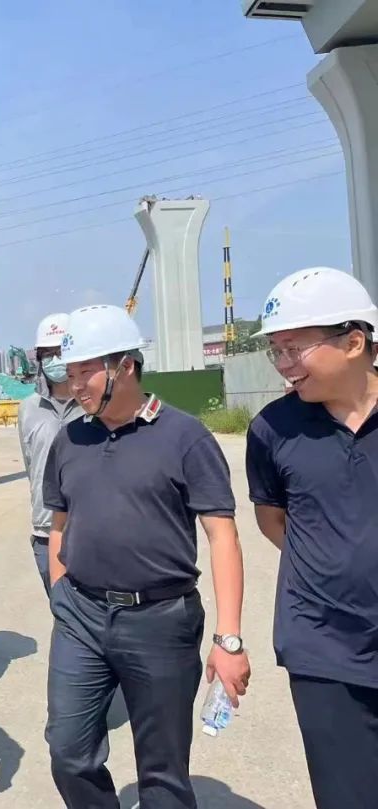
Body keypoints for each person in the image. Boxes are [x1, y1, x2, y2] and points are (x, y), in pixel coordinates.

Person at [42, 305, 251, 809]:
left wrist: (229, 638)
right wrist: (61, 593)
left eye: (86, 371)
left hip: (161, 620)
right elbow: (59, 524)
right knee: (68, 752)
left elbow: (222, 535)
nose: (75, 385)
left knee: (162, 771)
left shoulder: (185, 437)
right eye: (69, 374)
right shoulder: (70, 438)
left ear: (126, 366)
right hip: (80, 615)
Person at [245, 267, 378, 809]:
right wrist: (334, 561)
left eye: (294, 348)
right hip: (323, 647)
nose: (283, 364)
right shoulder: (272, 429)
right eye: (275, 350)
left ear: (354, 342)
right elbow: (273, 519)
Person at [18, 313, 83, 596]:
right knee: (61, 609)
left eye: (61, 352)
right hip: (46, 530)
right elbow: (31, 464)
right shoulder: (28, 409)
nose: (55, 360)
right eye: (48, 354)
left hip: (89, 527)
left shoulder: (93, 404)